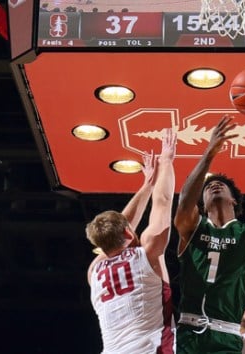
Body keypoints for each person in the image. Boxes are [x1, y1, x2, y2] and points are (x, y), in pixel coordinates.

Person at [174, 115, 245, 353]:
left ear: (234, 199)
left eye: (222, 185)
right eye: (208, 188)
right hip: (188, 333)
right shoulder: (193, 228)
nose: (214, 185)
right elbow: (183, 205)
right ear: (201, 203)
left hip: (226, 335)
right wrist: (209, 154)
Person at [86, 129, 177, 354]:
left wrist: (146, 186)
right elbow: (163, 201)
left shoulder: (94, 270)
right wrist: (166, 161)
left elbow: (116, 230)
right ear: (128, 233)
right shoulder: (147, 250)